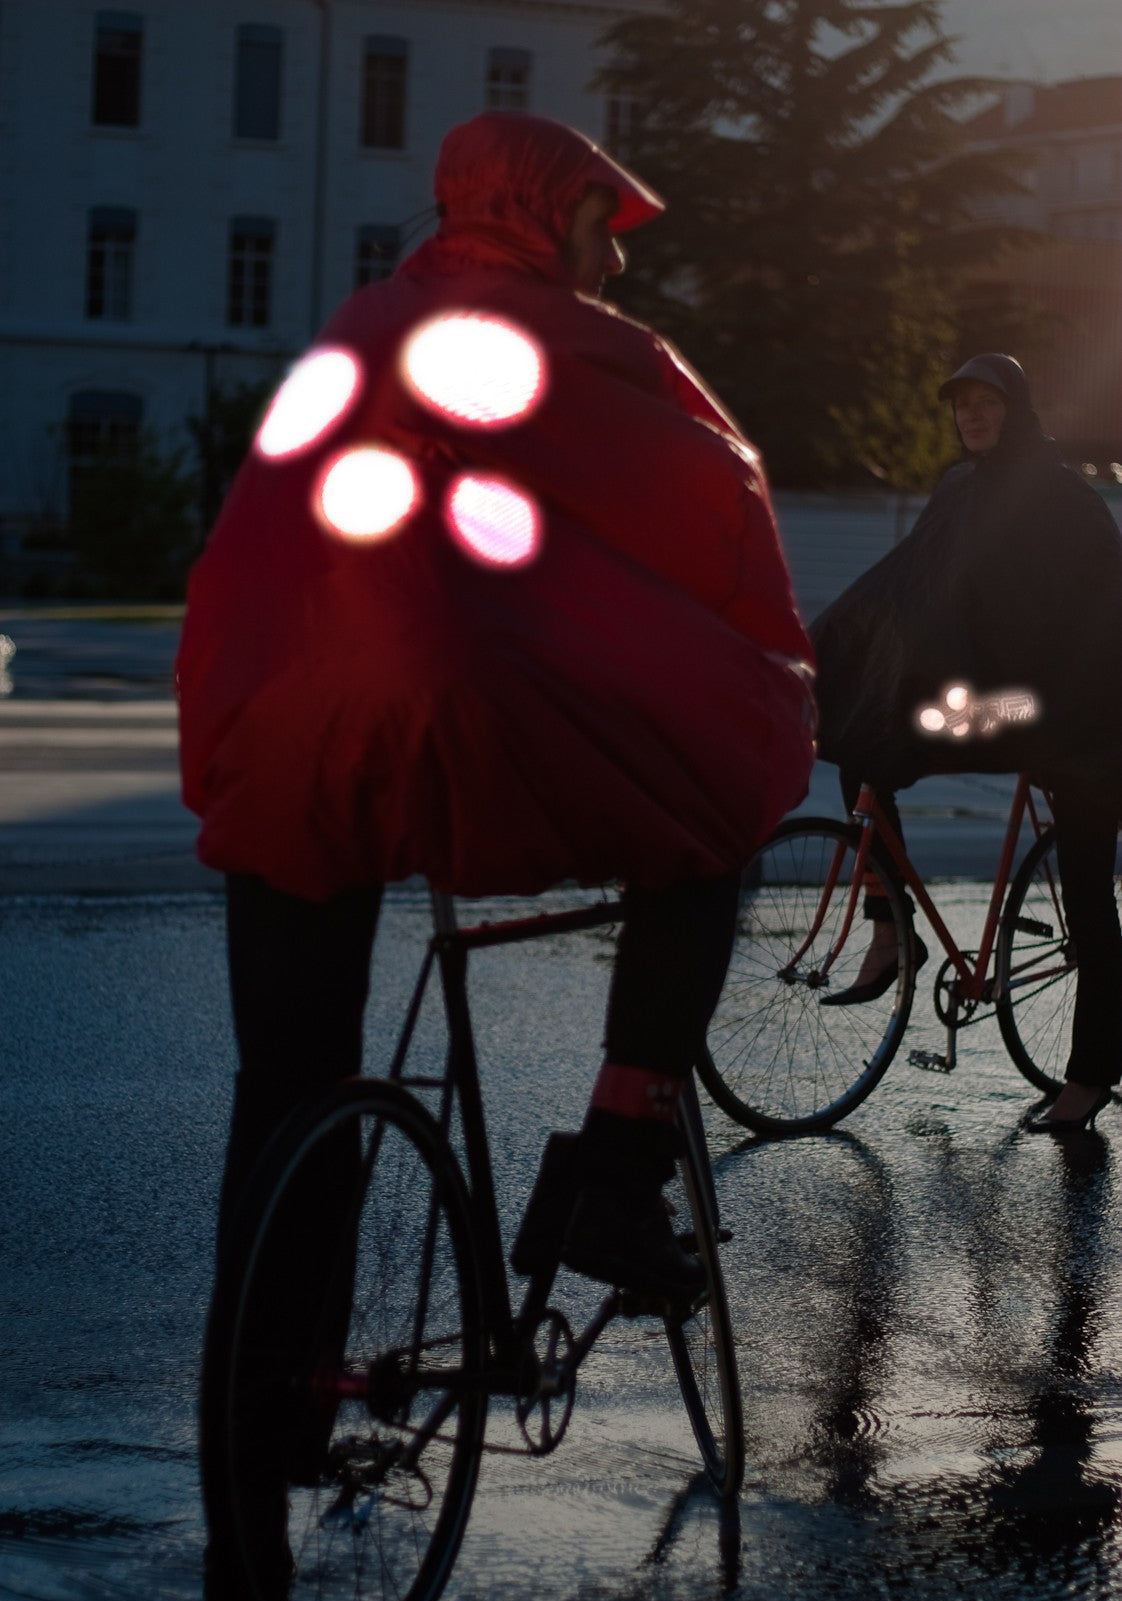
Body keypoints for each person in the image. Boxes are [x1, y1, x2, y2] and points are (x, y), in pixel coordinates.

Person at [177, 111, 816, 1306]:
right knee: (716, 834)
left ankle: (278, 1385)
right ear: (539, 213)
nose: (614, 260)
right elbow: (715, 500)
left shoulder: (358, 326)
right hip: (462, 724)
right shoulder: (569, 341)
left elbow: (249, 546)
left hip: (281, 742)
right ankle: (618, 1172)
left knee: (286, 1086)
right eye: (596, 223)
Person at [812, 352, 1122, 1131]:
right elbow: (911, 585)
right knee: (867, 735)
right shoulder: (958, 489)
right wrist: (843, 646)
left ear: (1016, 408)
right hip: (1000, 706)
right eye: (962, 405)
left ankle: (1086, 1081)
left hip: (1080, 717)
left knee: (1089, 899)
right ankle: (892, 931)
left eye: (987, 402)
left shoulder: (1064, 496)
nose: (972, 415)